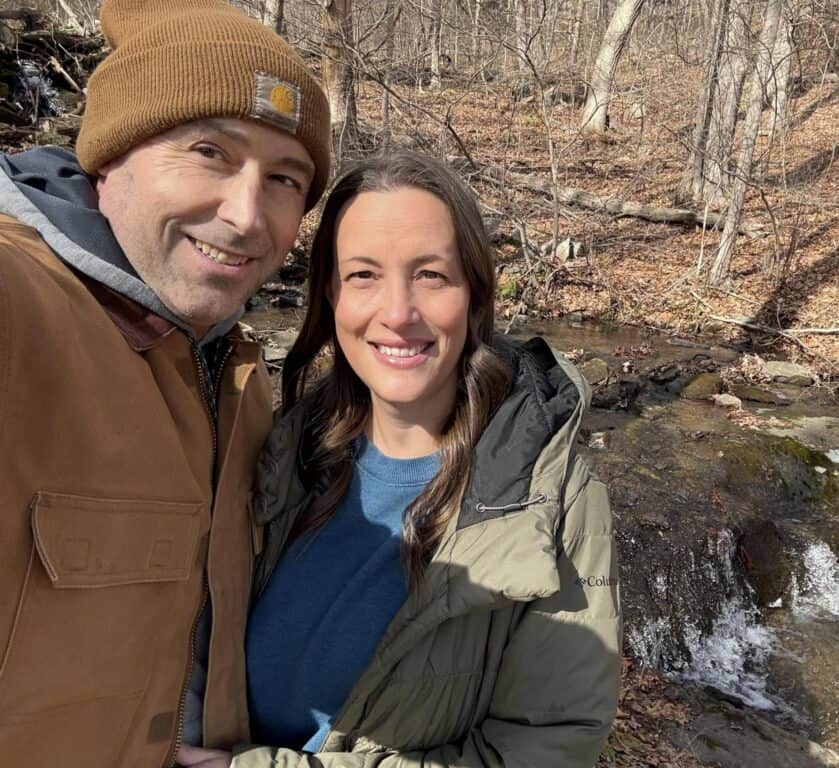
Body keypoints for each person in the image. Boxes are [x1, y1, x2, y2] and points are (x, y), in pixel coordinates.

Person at [192, 151, 620, 768]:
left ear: (474, 297)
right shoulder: (279, 449)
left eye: (430, 275)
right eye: (363, 275)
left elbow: (546, 745)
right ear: (330, 298)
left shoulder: (556, 505)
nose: (397, 313)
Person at [0, 1, 329, 766]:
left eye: (285, 178)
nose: (247, 216)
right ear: (110, 156)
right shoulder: (23, 308)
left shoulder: (236, 372)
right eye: (210, 151)